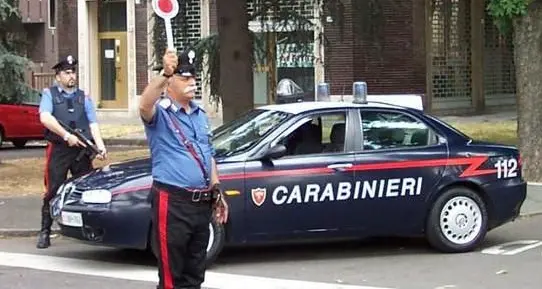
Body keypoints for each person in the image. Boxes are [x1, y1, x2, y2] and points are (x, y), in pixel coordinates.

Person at [139, 48, 229, 289]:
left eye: (193, 77)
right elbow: (144, 104)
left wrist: (217, 188)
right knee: (172, 276)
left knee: (195, 273)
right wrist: (164, 73)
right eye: (184, 78)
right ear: (170, 84)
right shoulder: (161, 115)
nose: (192, 82)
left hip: (201, 204)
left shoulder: (200, 115)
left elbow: (207, 154)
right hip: (173, 201)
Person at [37, 55, 108, 249]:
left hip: (81, 151)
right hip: (59, 150)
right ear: (58, 76)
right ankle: (45, 231)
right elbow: (45, 118)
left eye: (73, 72)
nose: (71, 76)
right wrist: (66, 135)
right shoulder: (49, 94)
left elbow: (93, 123)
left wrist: (100, 146)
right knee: (53, 189)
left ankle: (87, 229)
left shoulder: (83, 97)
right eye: (67, 73)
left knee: (85, 189)